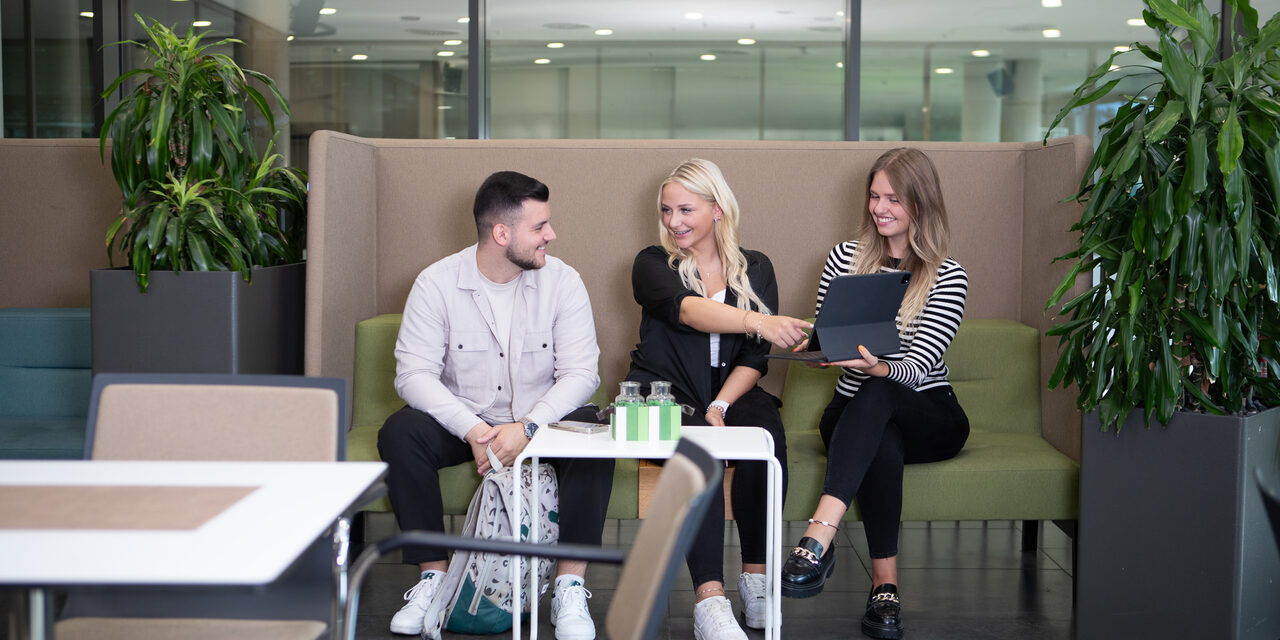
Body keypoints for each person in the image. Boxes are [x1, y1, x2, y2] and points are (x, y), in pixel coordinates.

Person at [377, 170, 615, 640]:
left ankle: (569, 584)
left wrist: (527, 427)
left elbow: (582, 374)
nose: (551, 235)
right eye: (539, 226)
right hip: (468, 419)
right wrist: (473, 431)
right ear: (501, 234)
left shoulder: (563, 281)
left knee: (592, 434)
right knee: (400, 433)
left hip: (541, 418)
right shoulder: (436, 283)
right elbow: (413, 374)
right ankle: (435, 579)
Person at [779, 147, 969, 640]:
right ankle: (885, 589)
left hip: (929, 413)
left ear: (921, 204)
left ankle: (819, 534)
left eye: (894, 199)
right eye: (875, 196)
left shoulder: (948, 274)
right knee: (879, 427)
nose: (880, 208)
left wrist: (877, 367)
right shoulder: (845, 258)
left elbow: (919, 366)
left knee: (881, 389)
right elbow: (832, 336)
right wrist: (817, 346)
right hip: (855, 412)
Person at [626, 158, 812, 640]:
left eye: (685, 209)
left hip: (728, 389)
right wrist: (760, 321)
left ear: (717, 209)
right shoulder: (652, 264)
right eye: (667, 210)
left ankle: (755, 577)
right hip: (665, 393)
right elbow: (689, 312)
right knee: (701, 450)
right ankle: (709, 599)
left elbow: (754, 357)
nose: (674, 221)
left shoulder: (757, 268)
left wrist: (721, 405)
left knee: (765, 433)